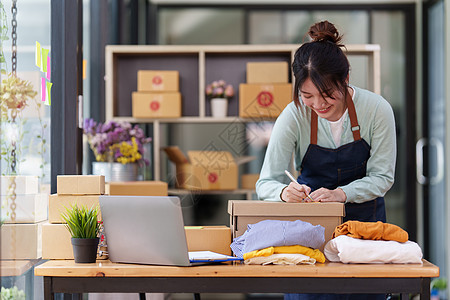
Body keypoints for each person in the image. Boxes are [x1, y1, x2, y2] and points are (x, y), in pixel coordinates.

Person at [255, 20, 396, 300]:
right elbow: (265, 183)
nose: (318, 104)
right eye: (308, 96)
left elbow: (383, 177)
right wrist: (284, 192)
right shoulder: (294, 115)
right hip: (310, 236)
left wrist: (341, 194)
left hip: (365, 232)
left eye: (327, 94)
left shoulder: (376, 110)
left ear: (345, 80)